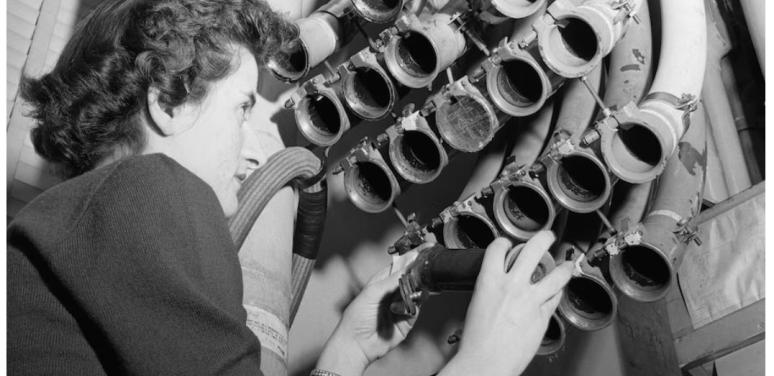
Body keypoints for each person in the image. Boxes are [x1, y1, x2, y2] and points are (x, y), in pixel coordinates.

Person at [7, 0, 573, 375]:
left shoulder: (82, 226)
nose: (259, 148)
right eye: (243, 108)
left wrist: (347, 351)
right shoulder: (144, 191)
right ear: (168, 102)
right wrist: (483, 362)